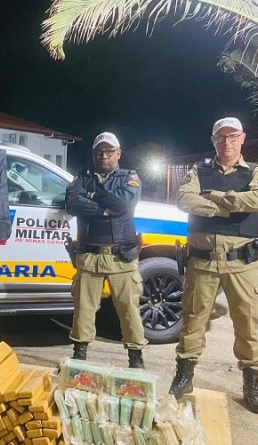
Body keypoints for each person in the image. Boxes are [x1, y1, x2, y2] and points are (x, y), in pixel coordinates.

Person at [168, 117, 258, 414]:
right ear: (213, 140)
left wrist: (212, 198)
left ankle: (252, 384)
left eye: (233, 136)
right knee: (192, 321)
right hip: (203, 262)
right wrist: (231, 206)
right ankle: (184, 376)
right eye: (221, 137)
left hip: (242, 263)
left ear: (242, 138)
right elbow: (184, 200)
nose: (227, 142)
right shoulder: (198, 171)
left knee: (248, 324)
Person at [65, 131, 147, 368]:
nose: (104, 156)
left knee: (128, 309)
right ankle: (79, 356)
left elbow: (124, 204)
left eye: (109, 151)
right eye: (99, 151)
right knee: (83, 310)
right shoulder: (82, 176)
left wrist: (91, 196)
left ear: (118, 153)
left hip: (121, 256)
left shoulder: (129, 177)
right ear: (93, 154)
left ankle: (136, 358)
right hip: (89, 255)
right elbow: (72, 203)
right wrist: (103, 208)